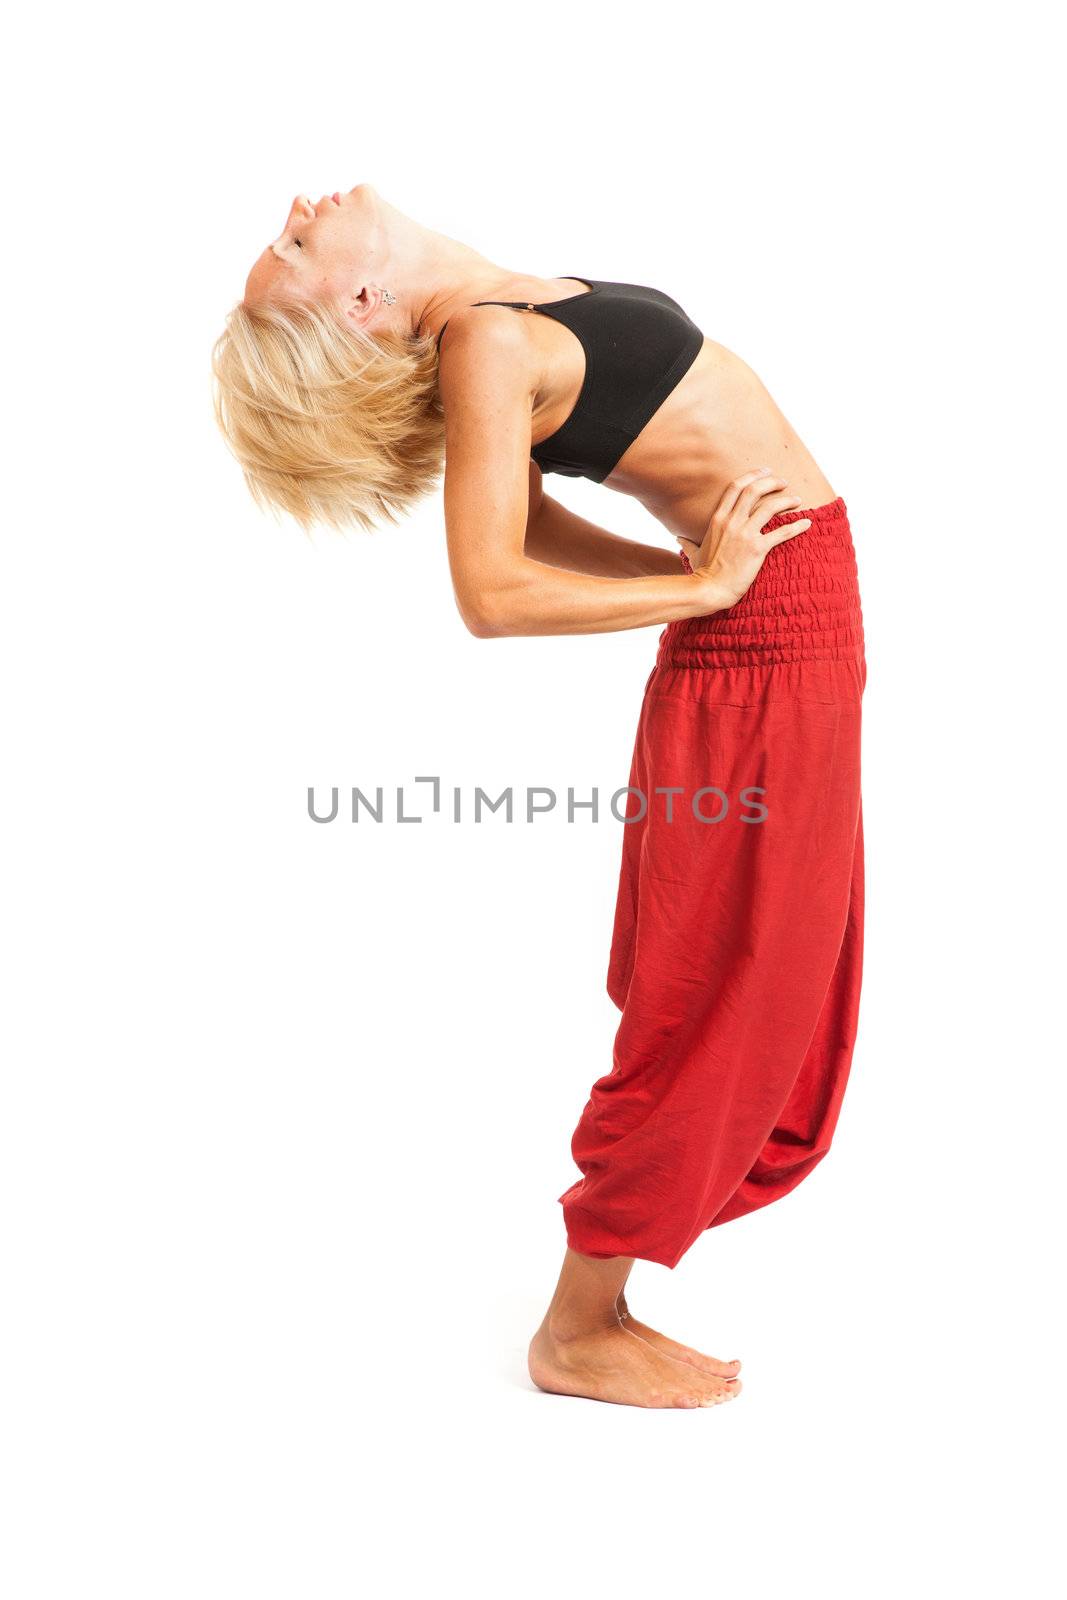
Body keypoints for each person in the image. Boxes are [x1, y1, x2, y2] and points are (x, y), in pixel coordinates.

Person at [212, 183, 866, 1411]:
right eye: (296, 242)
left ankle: (599, 1302)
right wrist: (704, 589)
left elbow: (533, 519)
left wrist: (706, 575)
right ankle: (576, 1331)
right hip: (766, 650)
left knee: (760, 962)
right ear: (361, 303)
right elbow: (491, 590)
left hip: (784, 625)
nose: (302, 205)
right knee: (722, 978)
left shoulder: (491, 309)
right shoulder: (486, 339)